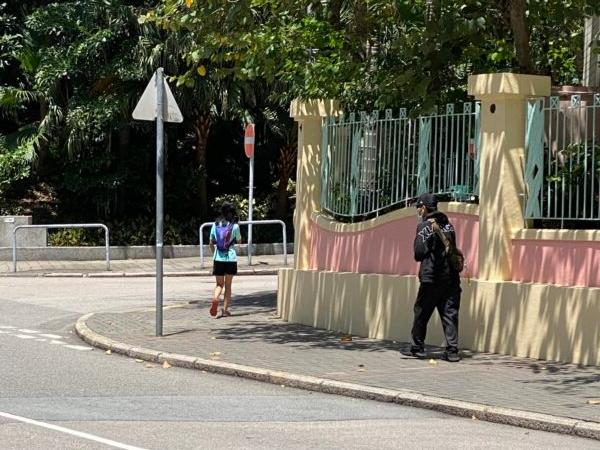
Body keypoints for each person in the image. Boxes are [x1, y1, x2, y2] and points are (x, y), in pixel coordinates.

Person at [402, 193, 462, 362]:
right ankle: (452, 351)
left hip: (431, 279)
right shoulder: (449, 226)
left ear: (424, 207)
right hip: (451, 279)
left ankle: (417, 347)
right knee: (449, 314)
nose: (418, 210)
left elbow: (419, 254)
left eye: (418, 207)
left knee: (421, 311)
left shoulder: (425, 226)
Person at [208, 203, 242, 318]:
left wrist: (215, 254)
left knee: (219, 284)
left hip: (218, 258)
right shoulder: (235, 226)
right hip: (231, 258)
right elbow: (239, 241)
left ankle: (215, 298)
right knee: (228, 285)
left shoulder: (215, 224)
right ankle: (225, 310)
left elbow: (211, 243)